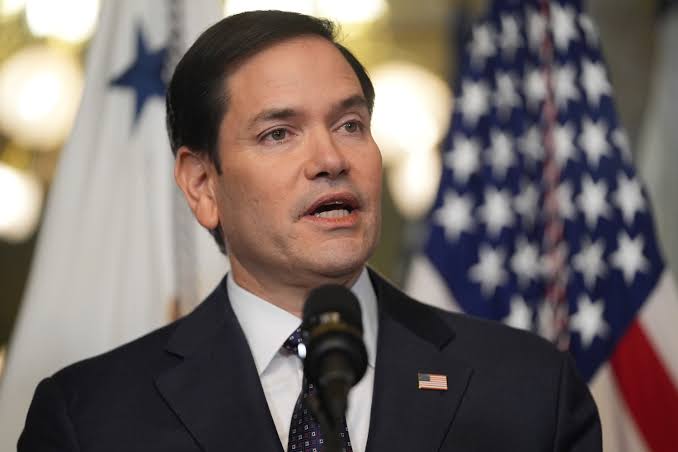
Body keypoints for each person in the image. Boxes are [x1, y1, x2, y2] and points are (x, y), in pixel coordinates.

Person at [18, 10, 602, 452]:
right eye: (279, 133)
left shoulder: (528, 389)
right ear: (202, 185)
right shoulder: (90, 418)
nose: (330, 159)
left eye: (350, 124)